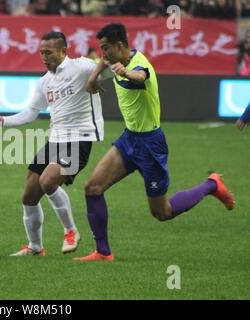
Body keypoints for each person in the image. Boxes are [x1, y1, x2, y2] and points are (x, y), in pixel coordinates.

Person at [74, 23, 234, 261]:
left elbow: (140, 76)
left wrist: (126, 73)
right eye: (101, 48)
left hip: (150, 144)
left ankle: (211, 185)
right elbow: (103, 61)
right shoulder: (113, 57)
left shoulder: (140, 65)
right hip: (129, 139)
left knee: (162, 212)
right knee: (92, 188)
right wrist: (93, 78)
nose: (103, 53)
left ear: (120, 46)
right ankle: (103, 252)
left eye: (106, 48)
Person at [0, 31, 112, 256]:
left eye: (48, 53)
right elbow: (30, 113)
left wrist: (94, 77)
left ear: (63, 51)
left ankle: (71, 231)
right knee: (29, 195)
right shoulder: (45, 81)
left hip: (79, 138)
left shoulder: (81, 67)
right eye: (41, 53)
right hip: (55, 139)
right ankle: (34, 247)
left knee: (48, 181)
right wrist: (3, 121)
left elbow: (108, 63)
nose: (44, 57)